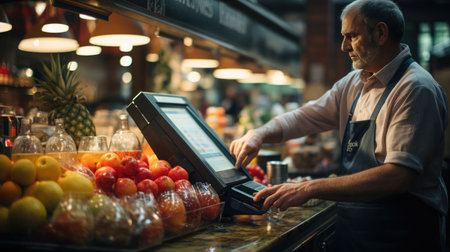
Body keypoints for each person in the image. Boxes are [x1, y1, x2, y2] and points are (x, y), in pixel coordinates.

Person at [229, 0, 448, 251]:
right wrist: (259, 133)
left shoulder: (415, 88)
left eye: (351, 36)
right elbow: (307, 116)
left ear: (381, 33)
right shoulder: (354, 82)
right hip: (354, 228)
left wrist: (310, 188)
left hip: (403, 233)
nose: (344, 46)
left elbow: (397, 176)